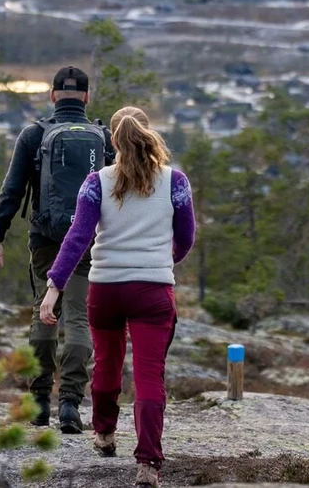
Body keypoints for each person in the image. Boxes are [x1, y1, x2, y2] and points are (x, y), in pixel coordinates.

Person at [40, 106, 196, 488]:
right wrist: (163, 261)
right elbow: (187, 237)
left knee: (107, 364)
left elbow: (78, 238)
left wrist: (53, 287)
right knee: (148, 376)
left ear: (113, 141)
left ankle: (105, 434)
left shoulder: (97, 181)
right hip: (153, 292)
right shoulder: (175, 181)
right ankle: (147, 465)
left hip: (106, 289)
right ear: (147, 133)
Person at [0, 65, 112, 434]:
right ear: (86, 97)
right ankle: (70, 404)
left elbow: (13, 191)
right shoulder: (104, 138)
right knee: (77, 318)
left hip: (45, 240)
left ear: (53, 96)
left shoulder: (33, 135)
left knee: (45, 311)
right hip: (88, 241)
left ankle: (39, 402)